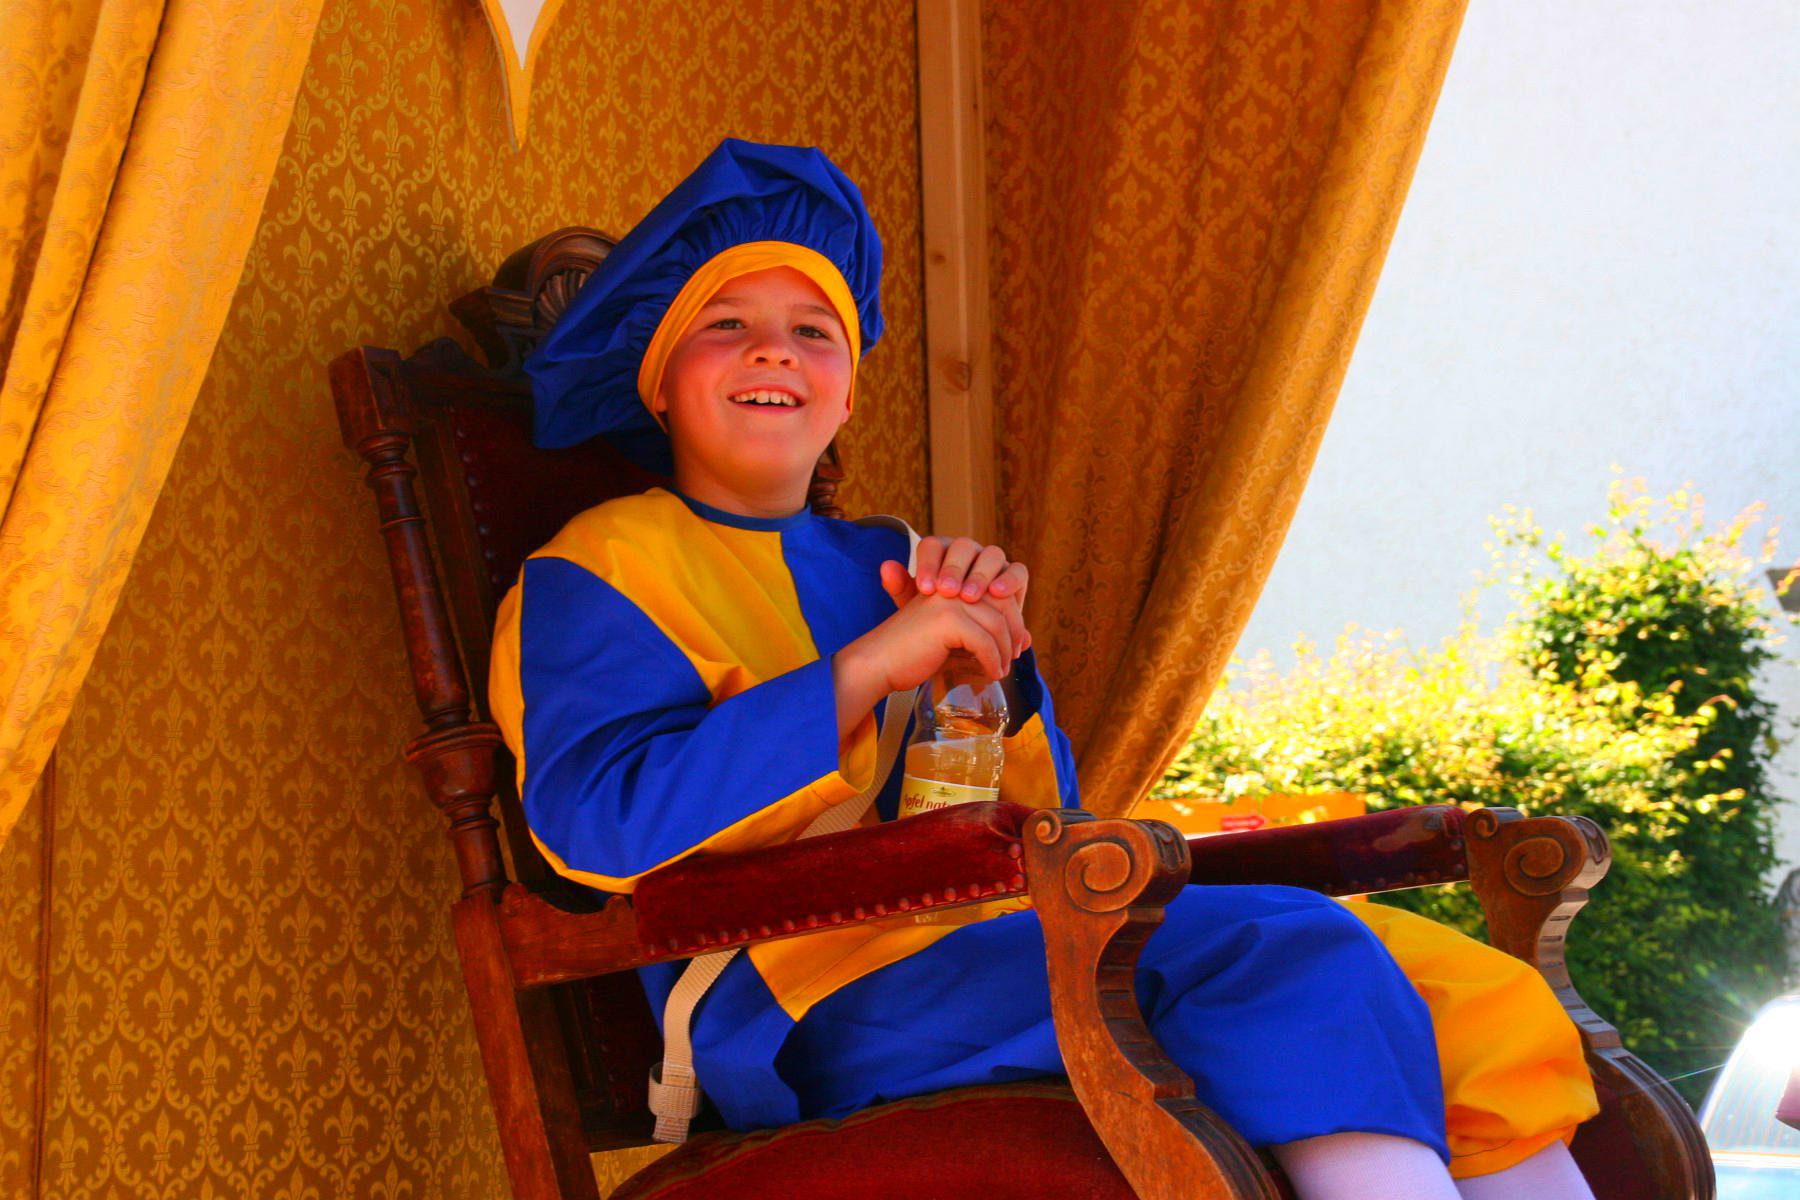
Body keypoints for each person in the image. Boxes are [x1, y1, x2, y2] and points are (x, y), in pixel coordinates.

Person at [488, 138, 1600, 1200]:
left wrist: (989, 680)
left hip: (995, 943)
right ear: (658, 380)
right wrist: (868, 668)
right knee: (1291, 952)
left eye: (813, 330)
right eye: (726, 322)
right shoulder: (598, 569)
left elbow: (1023, 819)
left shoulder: (895, 560)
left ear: (849, 390)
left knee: (1459, 990)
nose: (775, 350)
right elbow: (597, 830)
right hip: (797, 997)